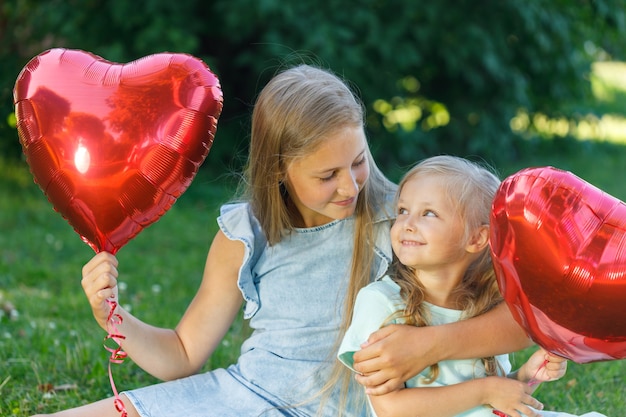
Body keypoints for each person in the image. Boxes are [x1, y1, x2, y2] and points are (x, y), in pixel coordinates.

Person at [33, 66, 531, 417]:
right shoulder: (244, 237)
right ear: (279, 171)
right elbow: (182, 355)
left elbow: (522, 321)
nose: (350, 186)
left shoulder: (405, 223)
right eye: (327, 174)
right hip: (247, 400)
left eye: (357, 161)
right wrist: (114, 318)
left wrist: (428, 346)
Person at [338, 155, 607, 417]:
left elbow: (494, 400)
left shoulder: (484, 308)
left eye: (428, 213)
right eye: (403, 211)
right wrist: (486, 391)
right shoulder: (380, 303)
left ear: (477, 238)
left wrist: (525, 375)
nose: (407, 224)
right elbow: (391, 409)